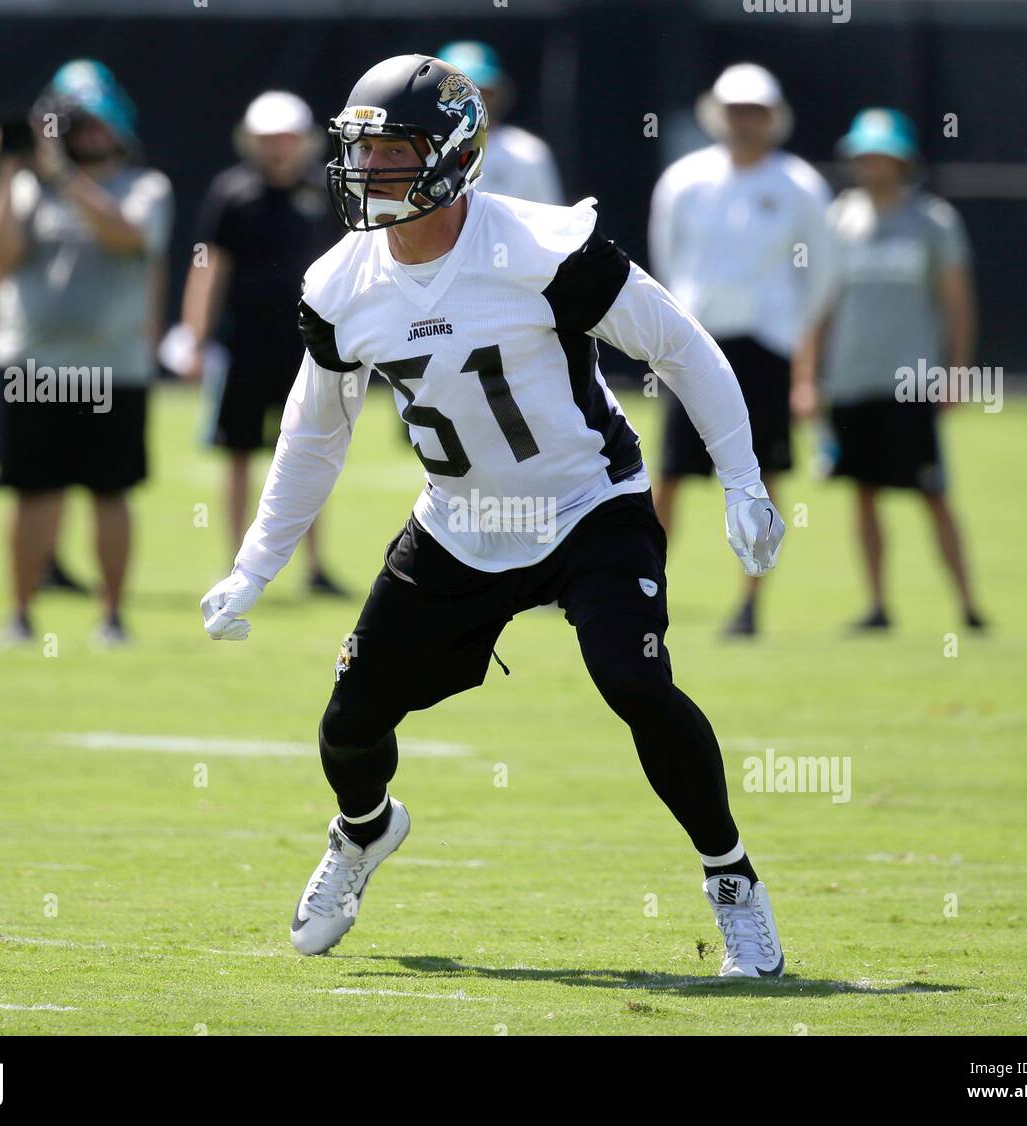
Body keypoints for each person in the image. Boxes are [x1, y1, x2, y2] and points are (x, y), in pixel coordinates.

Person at [200, 55, 788, 977]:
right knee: (348, 726)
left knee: (633, 682)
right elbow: (313, 436)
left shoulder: (544, 248)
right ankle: (363, 834)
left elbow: (681, 347)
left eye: (393, 154)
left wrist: (743, 477)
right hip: (460, 523)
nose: (369, 174)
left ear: (451, 156)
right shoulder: (340, 283)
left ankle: (733, 882)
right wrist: (253, 566)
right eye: (362, 152)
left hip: (587, 504)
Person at [0, 60, 173, 646]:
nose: (86, 135)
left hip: (113, 368)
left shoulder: (144, 186)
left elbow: (128, 235)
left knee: (111, 492)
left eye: (95, 124)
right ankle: (20, 613)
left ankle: (111, 616)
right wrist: (9, 170)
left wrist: (61, 176)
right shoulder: (25, 185)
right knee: (30, 491)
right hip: (34, 367)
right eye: (73, 124)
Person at [649, 63, 832, 637]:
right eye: (735, 111)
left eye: (755, 111)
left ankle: (751, 602)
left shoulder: (799, 185)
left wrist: (797, 342)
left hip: (768, 347)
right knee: (670, 473)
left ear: (773, 118)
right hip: (697, 346)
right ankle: (644, 587)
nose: (744, 122)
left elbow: (823, 273)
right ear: (718, 115)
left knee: (763, 472)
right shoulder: (685, 180)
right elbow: (667, 259)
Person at [795, 108, 986, 631]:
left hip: (911, 381)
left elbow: (956, 301)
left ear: (902, 161)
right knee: (863, 493)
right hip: (852, 380)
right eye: (865, 155)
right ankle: (878, 606)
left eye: (882, 156)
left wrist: (957, 371)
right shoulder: (839, 220)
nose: (872, 165)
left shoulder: (933, 221)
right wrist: (807, 378)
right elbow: (819, 306)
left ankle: (968, 607)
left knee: (933, 494)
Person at [178, 91, 345, 593]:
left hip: (308, 347)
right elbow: (208, 266)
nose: (278, 149)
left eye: (287, 138)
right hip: (245, 343)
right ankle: (238, 562)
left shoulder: (326, 192)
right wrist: (194, 336)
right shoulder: (232, 194)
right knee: (239, 452)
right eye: (269, 139)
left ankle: (315, 567)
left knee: (311, 449)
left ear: (304, 142)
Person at [437, 41, 563, 204]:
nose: (474, 100)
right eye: (461, 90)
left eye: (482, 91)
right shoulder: (417, 149)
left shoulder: (529, 153)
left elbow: (548, 220)